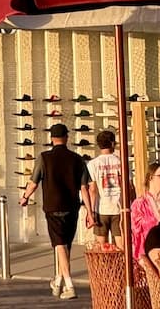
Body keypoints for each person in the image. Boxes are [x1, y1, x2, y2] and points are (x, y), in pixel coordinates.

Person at [20, 123, 94, 300]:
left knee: (59, 244)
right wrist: (90, 213)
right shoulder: (77, 159)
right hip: (72, 207)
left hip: (53, 206)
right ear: (67, 138)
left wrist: (25, 197)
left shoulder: (44, 158)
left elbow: (33, 182)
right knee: (65, 245)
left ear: (52, 138)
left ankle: (69, 285)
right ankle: (58, 281)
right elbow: (85, 188)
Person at [86, 130, 126, 246]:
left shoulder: (92, 164)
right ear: (112, 143)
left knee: (101, 246)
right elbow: (129, 186)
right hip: (119, 208)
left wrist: (91, 211)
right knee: (121, 245)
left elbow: (92, 190)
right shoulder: (121, 162)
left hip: (101, 208)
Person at [130, 162, 160, 265]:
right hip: (148, 254)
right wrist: (140, 258)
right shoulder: (139, 204)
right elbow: (135, 235)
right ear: (151, 178)